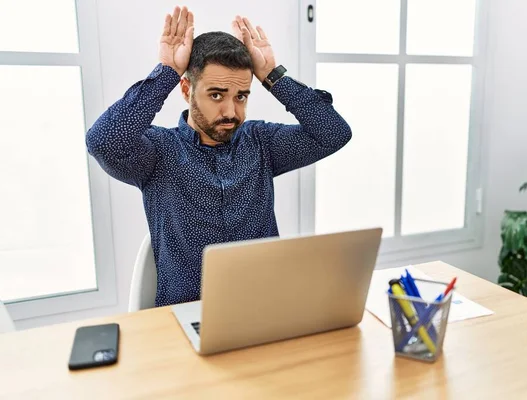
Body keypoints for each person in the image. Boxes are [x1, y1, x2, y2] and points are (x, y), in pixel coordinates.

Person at [86, 6, 352, 307]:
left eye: (241, 96)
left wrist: (273, 76)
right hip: (186, 316)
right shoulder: (158, 152)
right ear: (186, 89)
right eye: (216, 95)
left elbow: (333, 133)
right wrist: (167, 73)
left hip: (265, 309)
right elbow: (103, 141)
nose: (231, 112)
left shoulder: (261, 142)